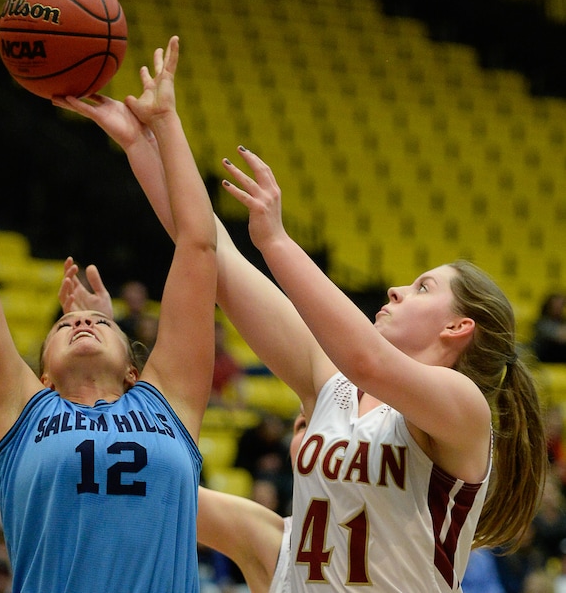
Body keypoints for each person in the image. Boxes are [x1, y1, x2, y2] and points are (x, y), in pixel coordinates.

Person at [56, 89, 546, 590]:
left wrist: (276, 240)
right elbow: (214, 259)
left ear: (458, 327)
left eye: (423, 287)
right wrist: (146, 141)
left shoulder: (464, 410)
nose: (397, 289)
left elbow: (367, 361)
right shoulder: (330, 387)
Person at [0, 34, 217, 593]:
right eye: (64, 326)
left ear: (134, 370)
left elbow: (199, 247)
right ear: (40, 375)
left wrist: (166, 125)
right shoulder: (17, 411)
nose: (81, 321)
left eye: (97, 323)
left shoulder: (170, 399)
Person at [58, 257, 307, 593]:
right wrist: (108, 344)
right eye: (301, 422)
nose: (299, 428)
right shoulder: (275, 540)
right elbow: (132, 481)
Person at [532, 293, 566, 363]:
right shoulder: (541, 323)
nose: (559, 308)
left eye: (561, 305)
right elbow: (560, 336)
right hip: (545, 359)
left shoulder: (562, 321)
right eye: (556, 305)